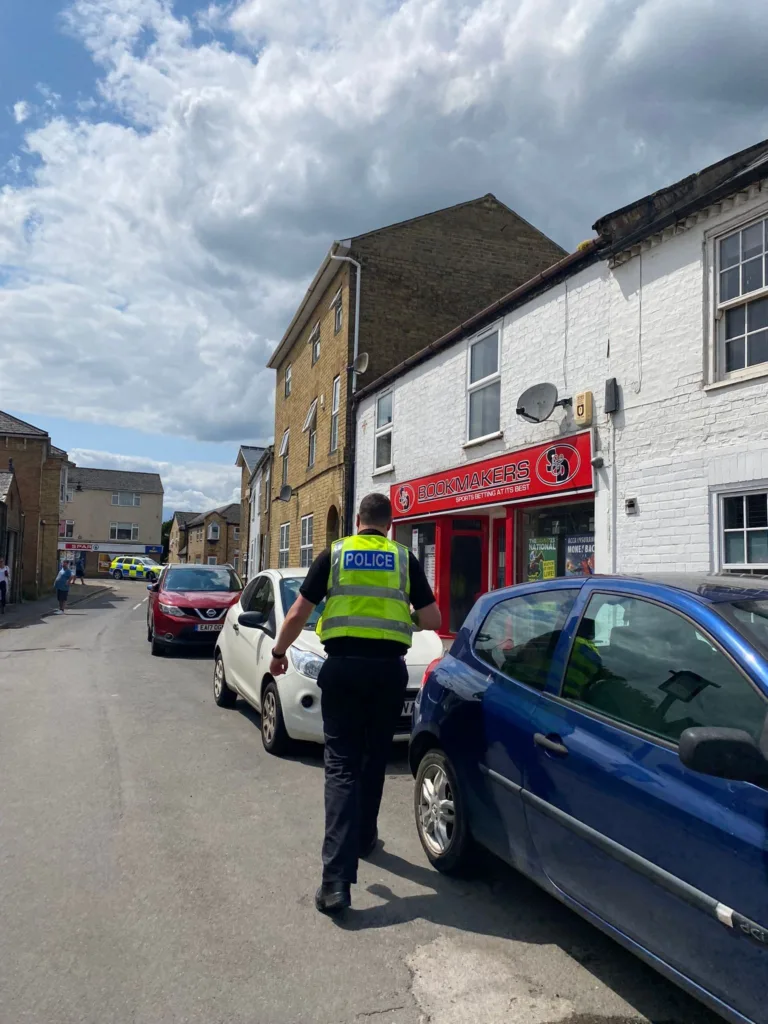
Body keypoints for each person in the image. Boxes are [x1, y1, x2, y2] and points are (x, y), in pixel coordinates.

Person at [269, 492, 441, 915]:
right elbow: (433, 619)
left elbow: (297, 612)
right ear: (389, 522)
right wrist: (405, 615)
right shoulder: (404, 559)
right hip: (388, 674)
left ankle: (335, 883)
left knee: (342, 765)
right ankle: (364, 836)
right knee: (374, 759)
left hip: (343, 669)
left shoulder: (336, 553)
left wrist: (278, 653)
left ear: (358, 520)